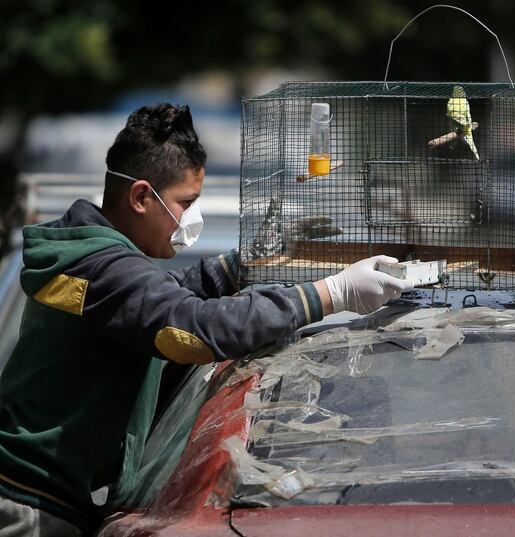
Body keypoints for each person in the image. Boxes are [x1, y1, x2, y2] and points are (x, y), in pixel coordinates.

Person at [0, 103, 412, 536]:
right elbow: (190, 330)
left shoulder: (90, 256)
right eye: (186, 203)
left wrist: (237, 267)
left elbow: (157, 298)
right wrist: (331, 294)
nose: (191, 218)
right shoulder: (103, 270)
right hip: (30, 506)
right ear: (141, 197)